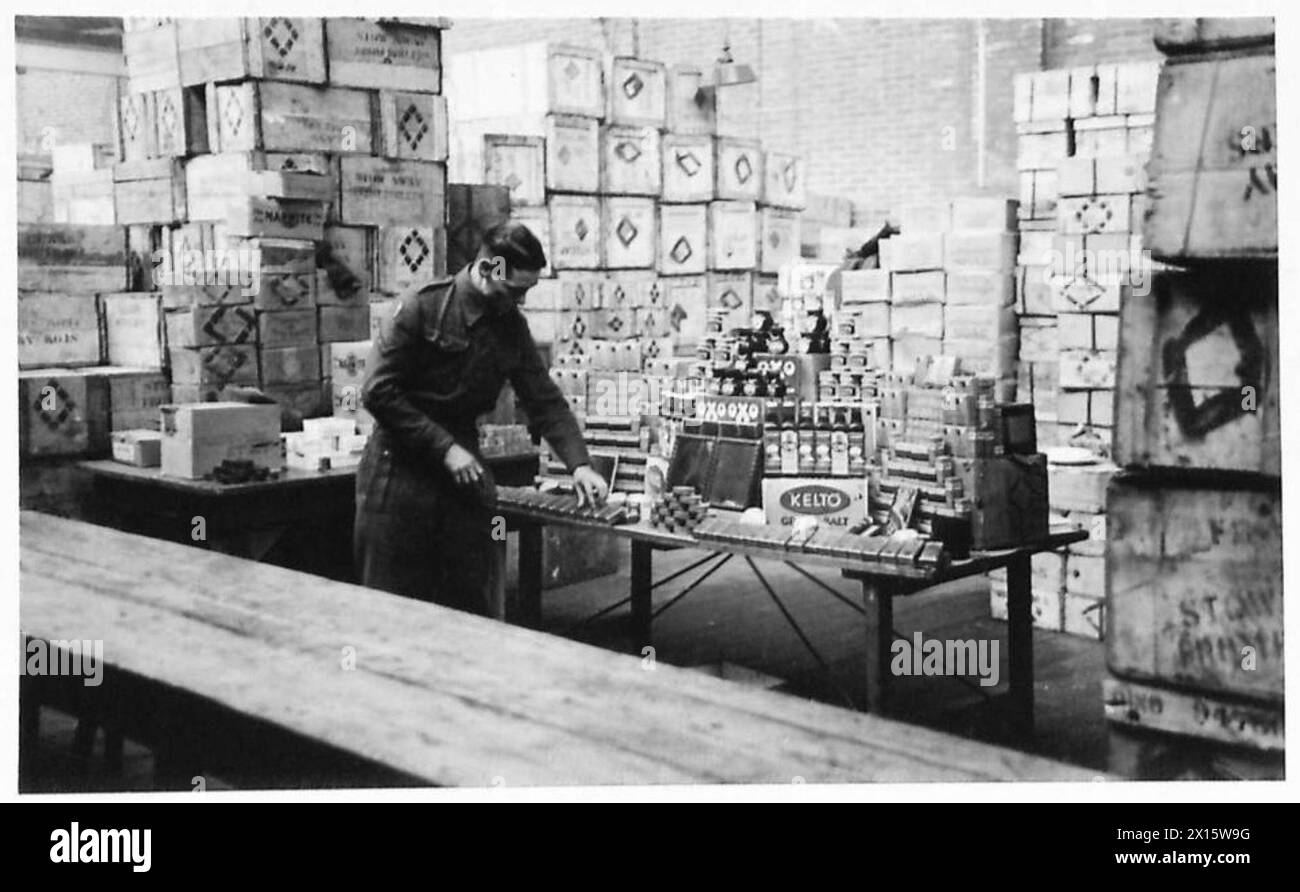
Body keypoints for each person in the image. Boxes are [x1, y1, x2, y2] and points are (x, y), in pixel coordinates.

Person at [355, 222, 609, 613]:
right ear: (489, 269)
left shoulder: (510, 327)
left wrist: (579, 464)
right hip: (400, 475)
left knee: (469, 602)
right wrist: (444, 448)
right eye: (515, 291)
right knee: (393, 609)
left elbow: (544, 400)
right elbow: (377, 391)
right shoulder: (420, 308)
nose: (520, 300)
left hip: (464, 476)